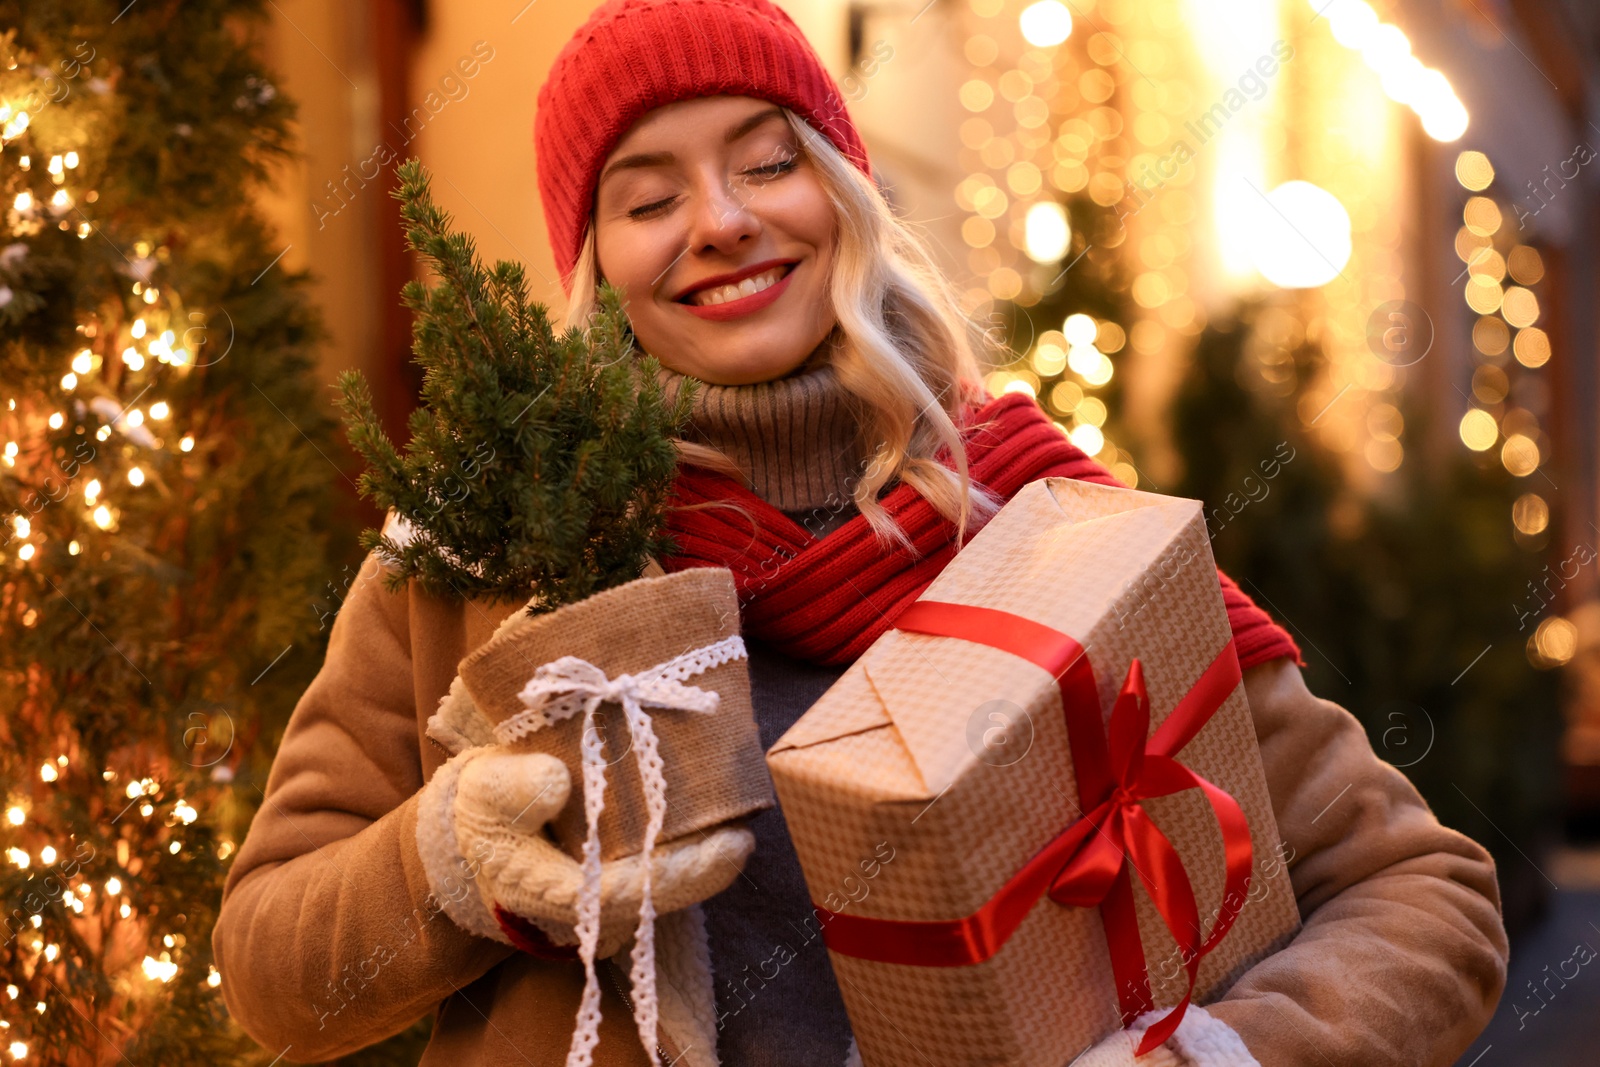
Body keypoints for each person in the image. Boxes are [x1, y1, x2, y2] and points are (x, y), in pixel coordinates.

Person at [211, 0, 1510, 1064]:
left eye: (769, 161)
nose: (721, 220)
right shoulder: (484, 562)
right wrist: (449, 860)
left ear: (845, 192)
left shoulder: (1049, 525)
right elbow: (273, 973)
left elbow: (1426, 898)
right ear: (593, 258)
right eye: (646, 194)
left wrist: (1214, 1056)